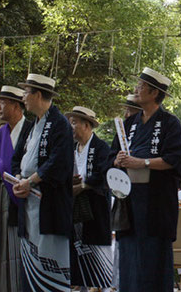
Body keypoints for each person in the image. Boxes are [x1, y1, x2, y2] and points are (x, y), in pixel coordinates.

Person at [109, 67, 181, 292]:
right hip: (130, 202)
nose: (136, 90)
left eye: (141, 87)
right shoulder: (128, 124)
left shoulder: (170, 123)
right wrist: (118, 160)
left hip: (155, 204)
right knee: (129, 257)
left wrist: (142, 162)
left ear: (154, 93)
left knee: (153, 258)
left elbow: (175, 160)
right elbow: (110, 156)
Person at [11, 74, 74, 291]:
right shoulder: (31, 126)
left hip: (50, 206)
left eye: (26, 92)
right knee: (29, 261)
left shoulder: (60, 124)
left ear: (38, 94)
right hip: (28, 202)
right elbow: (17, 158)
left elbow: (59, 162)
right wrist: (19, 179)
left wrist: (31, 180)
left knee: (51, 260)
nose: (23, 97)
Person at [0, 86, 33, 291]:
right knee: (1, 249)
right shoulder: (0, 134)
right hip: (1, 197)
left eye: (3, 103)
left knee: (21, 250)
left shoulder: (30, 130)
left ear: (16, 106)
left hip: (23, 197)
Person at [66, 106, 113, 291]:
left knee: (95, 250)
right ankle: (79, 285)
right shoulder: (71, 148)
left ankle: (99, 285)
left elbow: (105, 174)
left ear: (87, 125)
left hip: (95, 207)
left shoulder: (101, 148)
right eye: (70, 122)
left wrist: (84, 185)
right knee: (75, 249)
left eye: (75, 122)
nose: (71, 127)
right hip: (74, 206)